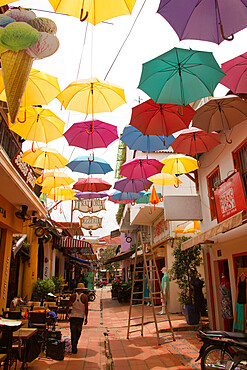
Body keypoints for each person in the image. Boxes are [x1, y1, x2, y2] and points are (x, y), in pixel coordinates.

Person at [66, 282, 88, 354]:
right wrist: (86, 317)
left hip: (73, 316)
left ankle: (74, 345)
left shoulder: (72, 296)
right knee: (78, 331)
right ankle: (75, 345)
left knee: (73, 331)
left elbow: (68, 305)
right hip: (80, 317)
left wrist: (67, 313)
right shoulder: (85, 297)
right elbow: (86, 308)